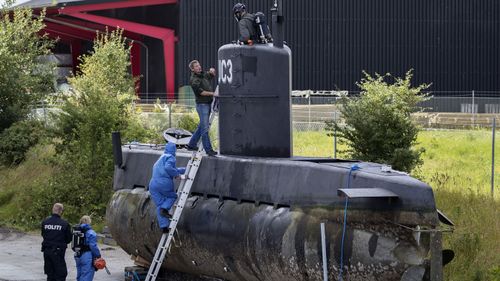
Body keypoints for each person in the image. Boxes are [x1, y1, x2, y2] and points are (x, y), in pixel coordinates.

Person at [149, 142, 186, 233]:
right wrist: (178, 175)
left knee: (160, 205)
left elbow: (171, 168)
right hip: (163, 182)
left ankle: (164, 227)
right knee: (172, 196)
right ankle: (165, 209)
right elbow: (168, 168)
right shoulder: (171, 157)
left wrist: (184, 169)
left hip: (153, 184)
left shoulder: (161, 158)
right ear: (174, 150)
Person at [187, 60, 218, 156]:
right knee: (205, 129)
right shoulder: (194, 80)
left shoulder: (202, 74)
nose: (199, 67)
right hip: (202, 105)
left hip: (208, 104)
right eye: (196, 66)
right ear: (192, 69)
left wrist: (213, 72)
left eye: (199, 65)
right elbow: (201, 93)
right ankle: (208, 150)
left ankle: (191, 144)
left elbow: (210, 75)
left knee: (201, 126)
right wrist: (214, 94)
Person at [41, 203, 72, 281]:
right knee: (61, 274)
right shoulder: (64, 224)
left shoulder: (45, 222)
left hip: (47, 251)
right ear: (61, 211)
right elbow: (69, 238)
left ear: (53, 210)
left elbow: (43, 234)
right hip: (58, 252)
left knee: (50, 274)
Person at [73, 215, 101, 281]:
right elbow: (93, 246)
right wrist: (98, 255)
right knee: (87, 276)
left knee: (79, 275)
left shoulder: (76, 230)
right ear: (89, 221)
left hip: (77, 255)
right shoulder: (91, 232)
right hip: (87, 256)